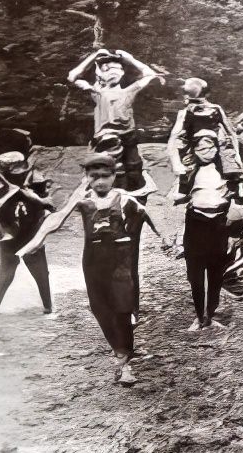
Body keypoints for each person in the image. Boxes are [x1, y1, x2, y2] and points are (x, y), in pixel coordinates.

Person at [16, 154, 160, 385]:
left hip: (120, 259)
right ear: (87, 178)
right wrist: (34, 242)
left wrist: (164, 238)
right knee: (101, 309)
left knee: (122, 309)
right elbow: (56, 218)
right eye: (95, 177)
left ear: (114, 176)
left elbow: (144, 213)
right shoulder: (82, 199)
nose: (100, 181)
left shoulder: (122, 198)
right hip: (93, 260)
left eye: (105, 176)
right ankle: (120, 352)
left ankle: (125, 364)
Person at [68, 49, 163, 191]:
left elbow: (150, 74)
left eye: (118, 68)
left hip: (128, 136)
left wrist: (129, 58)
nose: (114, 71)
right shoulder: (97, 92)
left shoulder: (129, 90)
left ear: (123, 72)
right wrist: (94, 55)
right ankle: (112, 199)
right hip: (107, 138)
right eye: (108, 68)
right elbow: (72, 77)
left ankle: (128, 199)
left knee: (134, 168)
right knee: (112, 170)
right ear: (100, 73)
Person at [0, 152, 55, 322]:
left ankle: (48, 307)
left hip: (32, 233)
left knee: (41, 273)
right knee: (6, 275)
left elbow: (49, 204)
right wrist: (11, 193)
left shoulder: (34, 180)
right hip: (9, 235)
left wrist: (31, 196)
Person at [180, 130, 235, 330]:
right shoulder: (189, 171)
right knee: (195, 272)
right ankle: (198, 316)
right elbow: (179, 195)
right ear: (194, 150)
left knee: (216, 272)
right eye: (201, 148)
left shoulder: (225, 169)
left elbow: (236, 195)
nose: (207, 152)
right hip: (196, 223)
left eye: (211, 147)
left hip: (219, 224)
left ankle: (210, 315)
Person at [168, 78, 243, 202]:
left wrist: (237, 156)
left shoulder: (215, 109)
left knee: (228, 162)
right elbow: (174, 137)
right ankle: (185, 187)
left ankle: (233, 185)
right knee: (189, 164)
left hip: (213, 145)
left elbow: (232, 133)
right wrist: (176, 162)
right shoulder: (186, 112)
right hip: (196, 146)